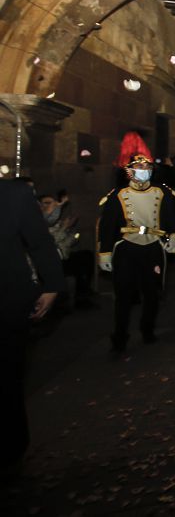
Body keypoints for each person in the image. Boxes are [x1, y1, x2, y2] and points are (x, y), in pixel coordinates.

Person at [0, 179, 64, 466]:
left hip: (7, 302)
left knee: (7, 380)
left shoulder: (13, 194)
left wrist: (52, 284)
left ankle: (11, 449)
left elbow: (38, 241)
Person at [98, 151, 175, 352]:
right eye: (139, 167)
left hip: (153, 247)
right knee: (124, 296)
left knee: (152, 294)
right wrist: (105, 252)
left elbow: (173, 218)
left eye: (147, 167)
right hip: (126, 248)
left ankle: (147, 329)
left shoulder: (163, 193)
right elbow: (107, 226)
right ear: (130, 171)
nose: (144, 170)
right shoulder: (117, 195)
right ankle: (120, 336)